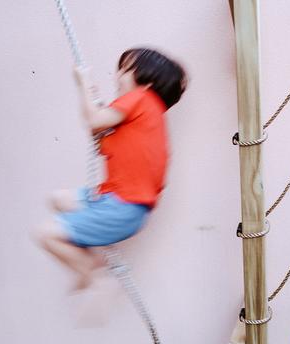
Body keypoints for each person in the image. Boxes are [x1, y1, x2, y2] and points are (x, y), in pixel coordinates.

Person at [35, 48, 187, 290]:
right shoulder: (144, 118)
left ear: (146, 82)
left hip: (123, 208)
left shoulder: (140, 98)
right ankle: (88, 254)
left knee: (45, 233)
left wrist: (83, 82)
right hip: (115, 201)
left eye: (125, 70)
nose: (117, 75)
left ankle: (92, 272)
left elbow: (94, 120)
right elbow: (98, 129)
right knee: (59, 200)